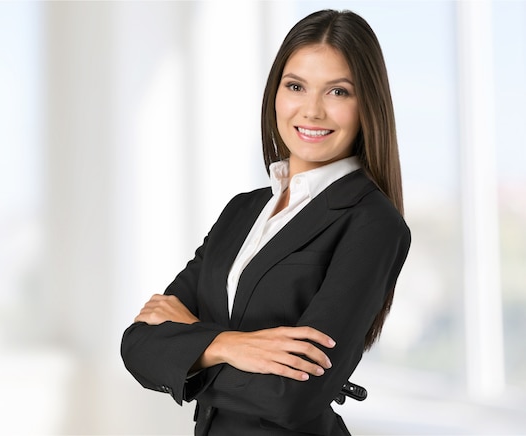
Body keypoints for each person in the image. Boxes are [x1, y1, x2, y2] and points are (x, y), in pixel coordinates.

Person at [121, 9, 411, 436]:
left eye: (338, 92)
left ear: (367, 104)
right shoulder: (242, 211)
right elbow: (138, 344)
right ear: (275, 93)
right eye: (296, 86)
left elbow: (291, 397)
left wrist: (192, 345)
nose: (312, 110)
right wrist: (229, 345)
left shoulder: (372, 224)